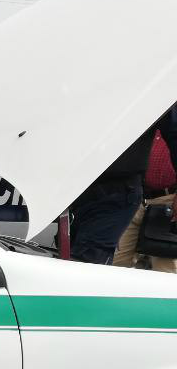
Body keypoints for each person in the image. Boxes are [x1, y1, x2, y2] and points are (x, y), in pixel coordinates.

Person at [70, 106, 177, 263]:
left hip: (157, 199)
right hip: (122, 194)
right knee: (112, 262)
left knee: (164, 265)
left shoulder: (158, 100)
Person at [113, 108, 177, 272]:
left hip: (168, 200)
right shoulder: (145, 115)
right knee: (116, 263)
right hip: (134, 197)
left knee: (165, 266)